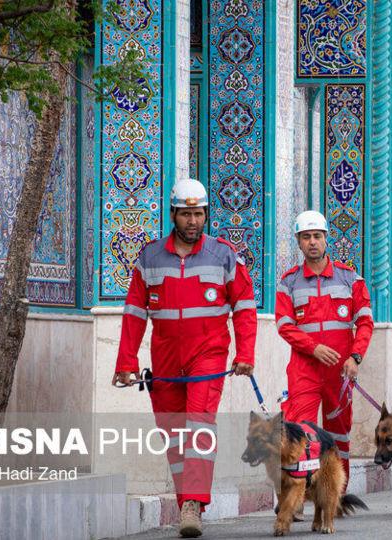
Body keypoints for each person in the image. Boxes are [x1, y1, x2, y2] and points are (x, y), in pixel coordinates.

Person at [112, 178, 257, 538]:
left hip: (208, 354)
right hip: (163, 358)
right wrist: (126, 363)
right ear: (173, 215)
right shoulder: (149, 257)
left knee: (199, 424)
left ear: (207, 214)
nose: (193, 221)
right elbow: (134, 314)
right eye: (186, 214)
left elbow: (244, 309)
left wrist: (246, 354)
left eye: (199, 214)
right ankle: (185, 502)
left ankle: (194, 502)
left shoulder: (224, 255)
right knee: (174, 433)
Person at [275, 210, 374, 485]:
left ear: (327, 238)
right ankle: (297, 492)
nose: (313, 242)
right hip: (304, 369)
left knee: (339, 432)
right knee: (300, 431)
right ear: (299, 242)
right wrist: (313, 348)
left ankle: (335, 492)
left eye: (317, 236)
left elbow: (365, 323)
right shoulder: (289, 282)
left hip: (340, 372)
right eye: (306, 237)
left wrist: (355, 358)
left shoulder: (350, 279)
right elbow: (284, 325)